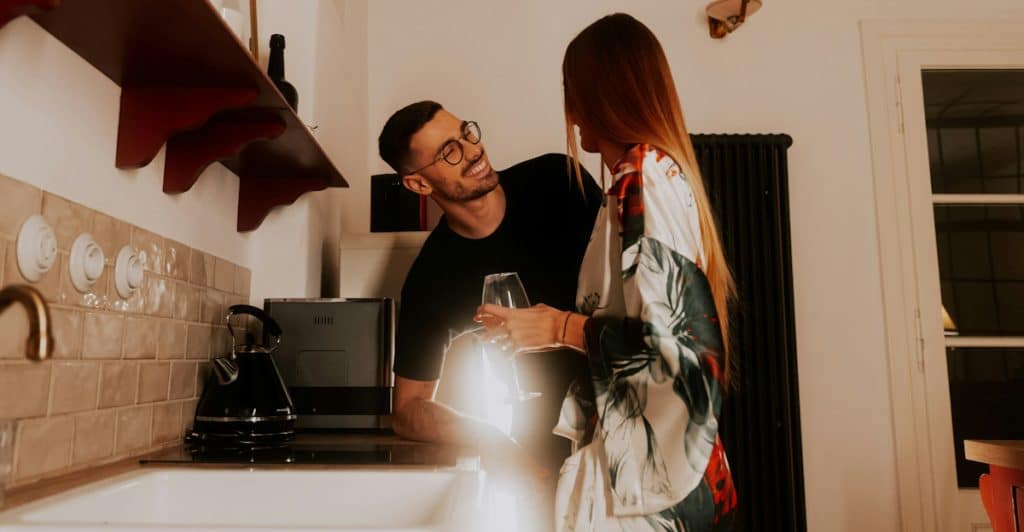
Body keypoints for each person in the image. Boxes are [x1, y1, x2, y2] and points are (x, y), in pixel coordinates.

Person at [476, 13, 738, 531]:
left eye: (573, 91)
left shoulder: (642, 179)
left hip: (647, 491)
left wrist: (558, 327)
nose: (571, 114)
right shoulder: (641, 179)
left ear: (604, 96)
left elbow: (678, 357)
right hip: (655, 474)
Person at [376, 101, 602, 481]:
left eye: (466, 133)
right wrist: (488, 436)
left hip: (625, 413)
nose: (472, 151)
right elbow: (408, 409)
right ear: (419, 183)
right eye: (449, 151)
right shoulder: (432, 277)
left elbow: (634, 290)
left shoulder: (558, 181)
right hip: (541, 455)